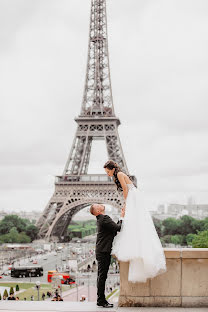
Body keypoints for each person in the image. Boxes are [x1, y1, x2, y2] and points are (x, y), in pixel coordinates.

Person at [103, 160, 167, 283]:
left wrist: (126, 204)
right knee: (133, 221)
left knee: (131, 219)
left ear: (112, 169)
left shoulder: (120, 174)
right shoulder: (117, 176)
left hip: (132, 196)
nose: (107, 174)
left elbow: (126, 190)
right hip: (133, 196)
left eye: (107, 171)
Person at [90, 203, 124, 308]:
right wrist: (122, 216)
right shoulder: (104, 218)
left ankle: (100, 299)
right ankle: (101, 300)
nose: (101, 204)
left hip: (101, 250)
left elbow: (113, 230)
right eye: (98, 205)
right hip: (104, 251)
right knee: (102, 276)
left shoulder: (100, 219)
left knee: (101, 276)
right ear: (98, 211)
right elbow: (118, 228)